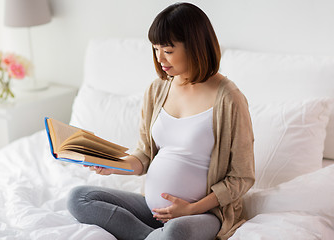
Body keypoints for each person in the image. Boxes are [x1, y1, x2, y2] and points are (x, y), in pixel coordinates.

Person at [67, 2, 255, 240]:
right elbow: (145, 155)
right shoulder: (157, 90)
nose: (160, 58)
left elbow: (242, 177)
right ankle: (152, 236)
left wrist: (190, 209)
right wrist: (113, 165)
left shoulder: (229, 99)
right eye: (155, 49)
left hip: (202, 214)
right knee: (79, 198)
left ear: (195, 47)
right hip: (152, 209)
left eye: (168, 50)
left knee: (177, 231)